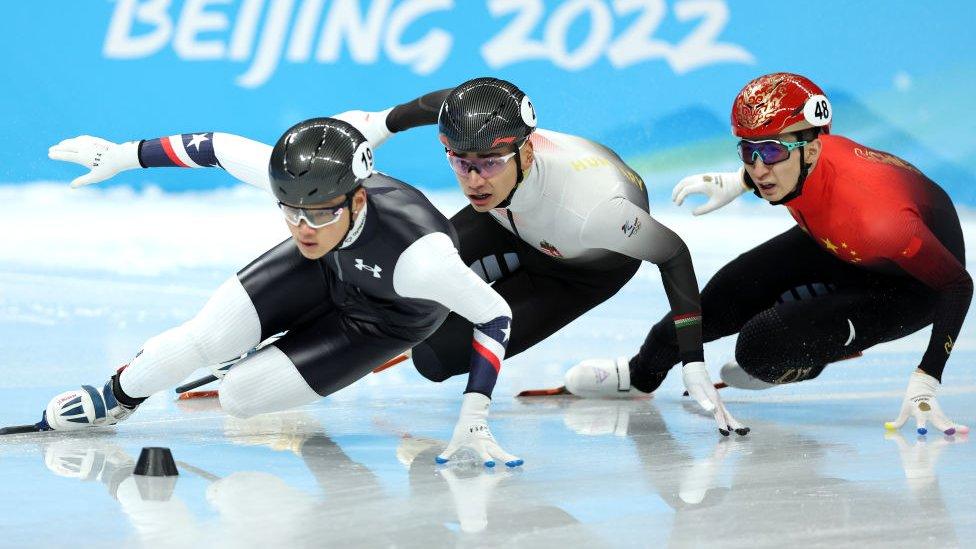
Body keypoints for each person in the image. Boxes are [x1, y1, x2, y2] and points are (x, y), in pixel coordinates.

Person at [40, 117, 523, 467]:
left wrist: (474, 416)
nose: (303, 228)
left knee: (238, 397)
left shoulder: (422, 259)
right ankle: (116, 396)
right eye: (289, 211)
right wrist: (121, 155)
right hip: (324, 268)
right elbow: (214, 145)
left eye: (318, 214)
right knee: (207, 338)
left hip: (382, 321)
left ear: (359, 199)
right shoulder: (310, 211)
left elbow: (494, 315)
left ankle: (243, 363)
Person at [334, 77, 747, 436]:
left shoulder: (594, 212)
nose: (474, 180)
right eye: (461, 163)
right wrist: (381, 124)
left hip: (577, 273)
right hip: (507, 223)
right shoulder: (483, 136)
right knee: (399, 272)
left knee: (433, 358)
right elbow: (446, 103)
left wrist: (693, 360)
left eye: (490, 164)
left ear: (526, 154)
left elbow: (673, 253)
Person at [587, 72, 970, 436]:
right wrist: (734, 183)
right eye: (747, 151)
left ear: (812, 150)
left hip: (912, 287)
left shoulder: (881, 218)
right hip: (837, 240)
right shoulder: (801, 159)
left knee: (760, 349)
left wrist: (928, 376)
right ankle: (640, 375)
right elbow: (775, 168)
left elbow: (957, 284)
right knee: (720, 299)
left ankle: (813, 357)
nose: (759, 169)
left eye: (770, 151)